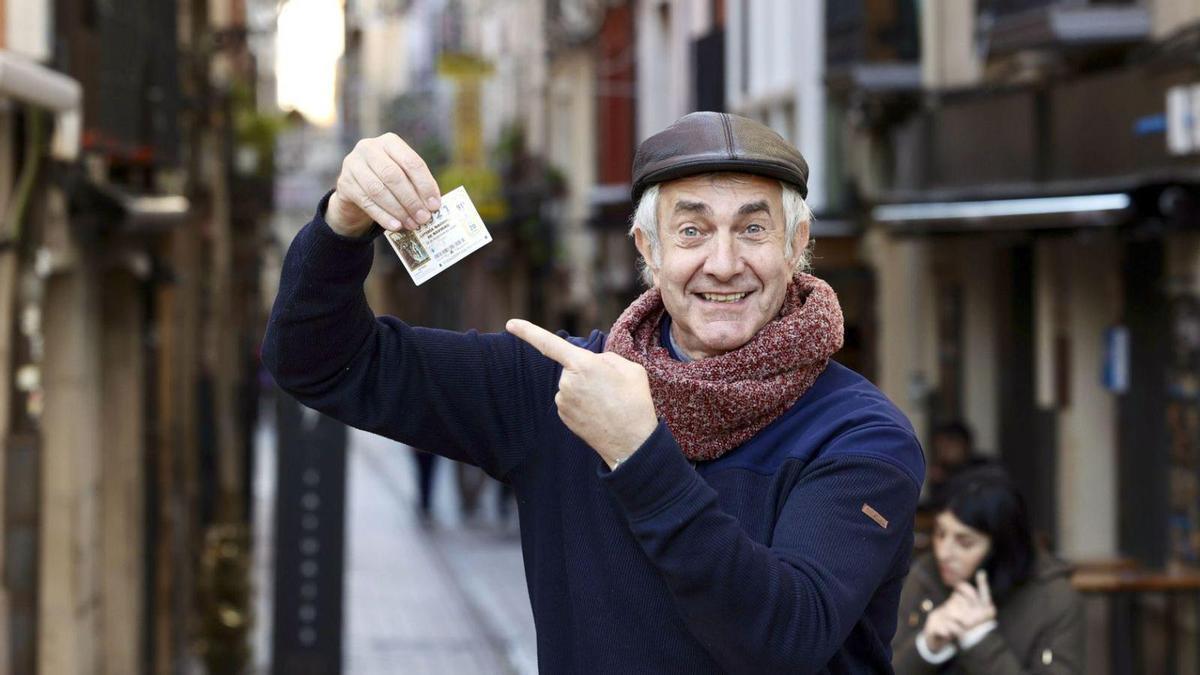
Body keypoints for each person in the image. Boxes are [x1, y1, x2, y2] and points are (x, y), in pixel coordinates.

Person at [263, 112, 925, 673]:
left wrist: (638, 453)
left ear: (796, 245)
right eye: (691, 229)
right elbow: (317, 361)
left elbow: (783, 637)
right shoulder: (557, 385)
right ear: (650, 248)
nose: (724, 263)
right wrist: (342, 225)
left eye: (753, 228)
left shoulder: (862, 436)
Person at [893, 470, 1084, 673]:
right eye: (940, 533)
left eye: (965, 542)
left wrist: (980, 639)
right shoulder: (924, 574)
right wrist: (926, 646)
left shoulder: (1054, 597)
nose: (943, 552)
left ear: (1000, 548)